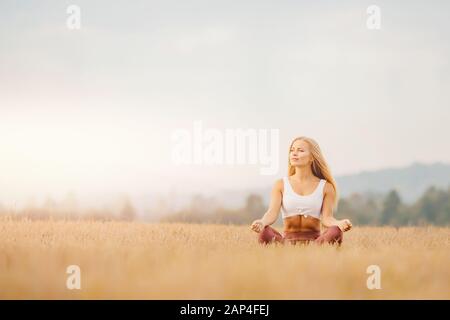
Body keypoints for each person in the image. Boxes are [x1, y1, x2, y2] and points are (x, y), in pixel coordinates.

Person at [250, 136, 352, 246]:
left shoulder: (326, 187)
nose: (294, 153)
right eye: (292, 150)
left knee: (336, 231)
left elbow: (327, 218)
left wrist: (339, 223)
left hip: (316, 243)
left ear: (312, 157)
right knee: (264, 232)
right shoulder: (280, 184)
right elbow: (272, 213)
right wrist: (262, 222)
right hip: (286, 243)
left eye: (300, 150)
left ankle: (314, 250)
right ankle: (287, 249)